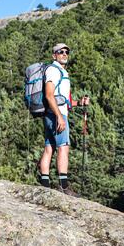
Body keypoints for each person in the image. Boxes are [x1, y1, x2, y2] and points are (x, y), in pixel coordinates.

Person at [37, 43, 89, 195]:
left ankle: (45, 186)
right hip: (56, 114)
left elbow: (63, 100)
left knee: (49, 147)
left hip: (52, 113)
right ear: (54, 55)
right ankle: (64, 187)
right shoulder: (53, 70)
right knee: (63, 147)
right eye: (60, 52)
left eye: (67, 51)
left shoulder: (61, 71)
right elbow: (49, 95)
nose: (65, 54)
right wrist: (60, 116)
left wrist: (79, 103)